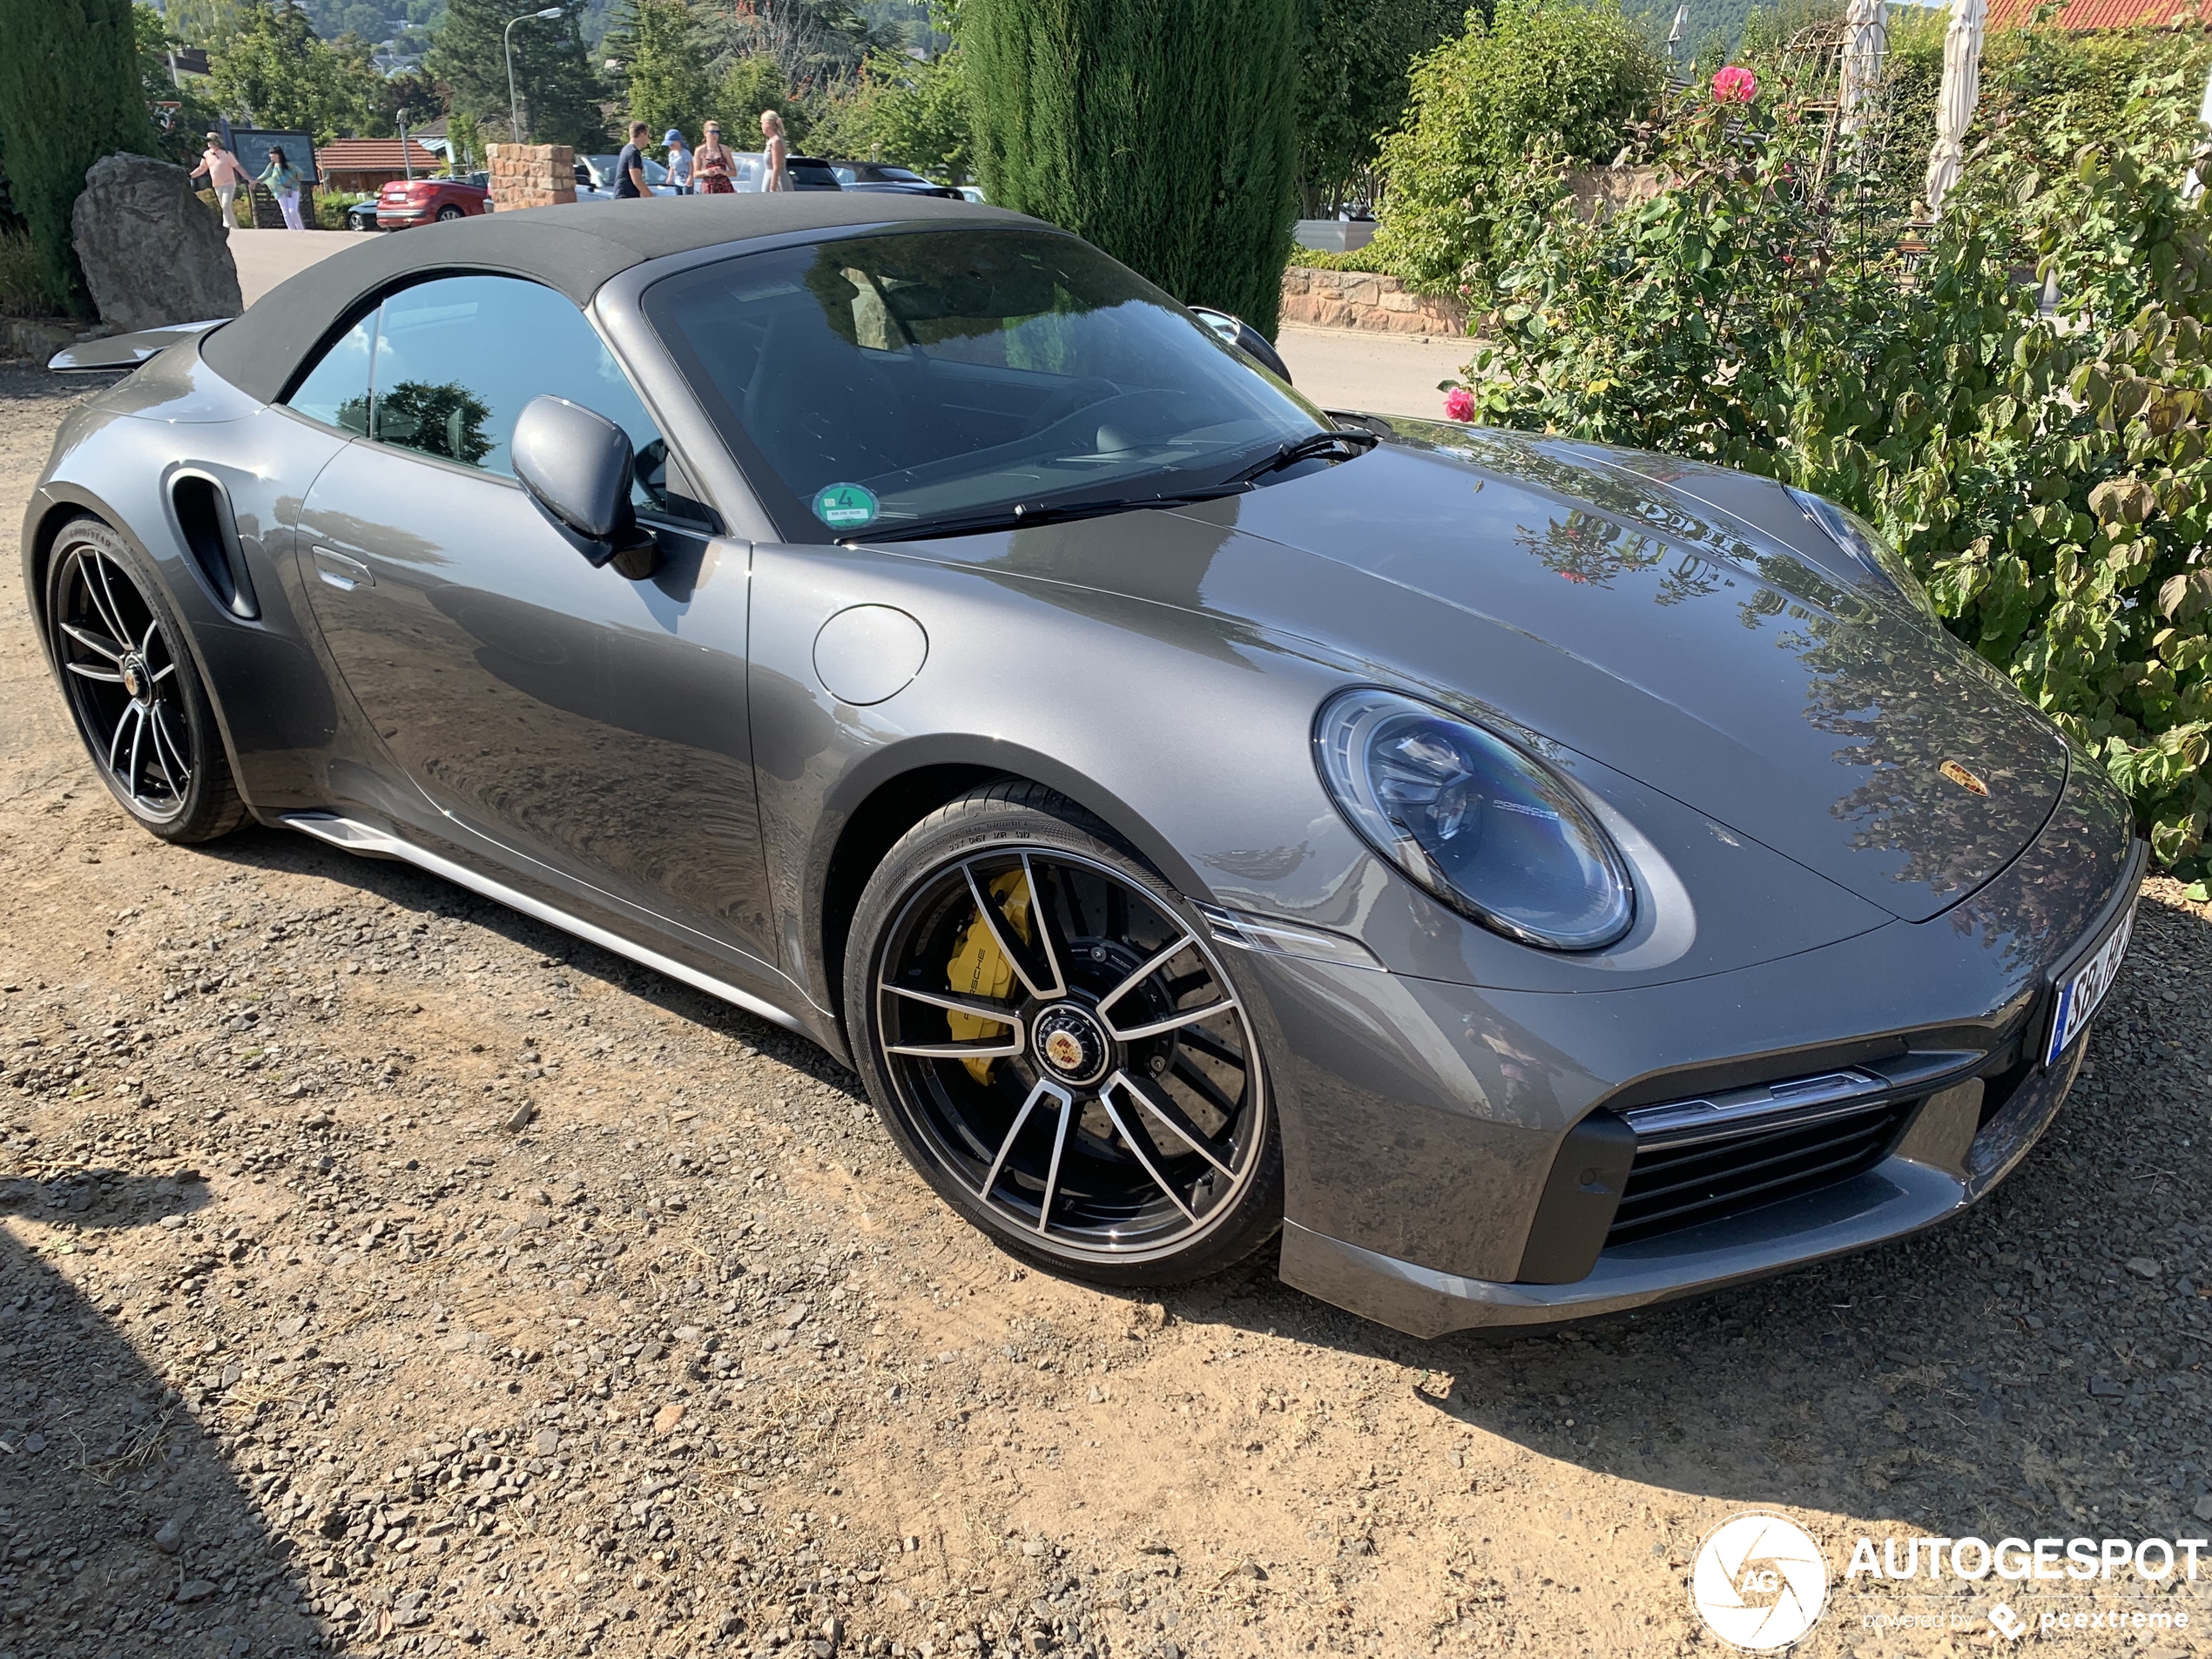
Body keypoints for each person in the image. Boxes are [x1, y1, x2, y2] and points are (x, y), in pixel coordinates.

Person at [189, 133, 248, 232]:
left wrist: (248, 178)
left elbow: (238, 167)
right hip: (217, 185)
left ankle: (227, 226)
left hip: (229, 184)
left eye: (210, 141)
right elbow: (202, 168)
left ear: (216, 141)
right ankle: (235, 227)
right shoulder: (206, 154)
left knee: (225, 205)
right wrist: (190, 176)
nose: (208, 143)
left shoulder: (227, 154)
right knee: (225, 207)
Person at [258, 145, 307, 230]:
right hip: (280, 191)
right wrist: (255, 181)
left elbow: (300, 172)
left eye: (272, 154)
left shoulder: (288, 165)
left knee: (293, 210)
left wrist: (295, 181)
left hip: (292, 189)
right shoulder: (271, 166)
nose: (270, 157)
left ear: (278, 155)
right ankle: (291, 230)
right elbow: (265, 175)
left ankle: (300, 229)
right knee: (285, 212)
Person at [693, 120, 736, 193]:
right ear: (705, 133)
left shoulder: (724, 149)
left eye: (717, 132)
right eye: (712, 132)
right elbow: (695, 174)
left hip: (724, 186)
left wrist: (723, 172)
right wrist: (706, 172)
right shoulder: (699, 150)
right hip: (708, 187)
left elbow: (734, 172)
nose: (715, 135)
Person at [614, 122, 651, 199]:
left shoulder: (626, 149)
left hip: (622, 196)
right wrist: (651, 197)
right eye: (648, 135)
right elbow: (637, 181)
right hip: (626, 197)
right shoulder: (633, 153)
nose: (648, 140)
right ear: (641, 134)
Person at [760, 110, 788, 192]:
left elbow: (777, 166)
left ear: (768, 124)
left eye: (762, 123)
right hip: (770, 177)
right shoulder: (772, 141)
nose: (761, 126)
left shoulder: (776, 141)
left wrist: (772, 188)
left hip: (777, 180)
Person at [663, 128, 692, 195]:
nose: (670, 147)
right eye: (669, 145)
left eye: (672, 144)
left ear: (678, 142)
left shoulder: (685, 153)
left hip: (686, 182)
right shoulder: (671, 154)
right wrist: (670, 177)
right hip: (677, 182)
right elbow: (672, 167)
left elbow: (691, 165)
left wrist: (690, 177)